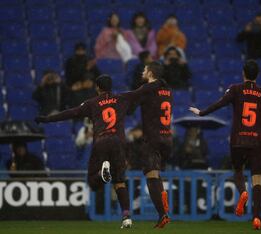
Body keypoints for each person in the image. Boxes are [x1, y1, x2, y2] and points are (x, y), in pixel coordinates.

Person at [189, 60, 261, 230]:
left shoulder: (236, 89)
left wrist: (201, 112)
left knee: (238, 170)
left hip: (238, 139)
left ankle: (243, 192)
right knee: (257, 179)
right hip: (257, 142)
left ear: (243, 73)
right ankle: (257, 218)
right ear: (257, 75)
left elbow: (220, 103)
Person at [35, 75, 133, 229]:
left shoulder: (92, 103)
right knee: (120, 182)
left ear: (97, 88)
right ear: (111, 87)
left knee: (93, 182)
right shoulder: (122, 98)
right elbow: (141, 94)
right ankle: (126, 216)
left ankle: (102, 173)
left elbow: (70, 113)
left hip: (101, 141)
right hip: (119, 143)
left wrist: (47, 119)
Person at [126, 62, 172, 228]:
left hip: (152, 138)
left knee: (151, 177)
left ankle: (162, 212)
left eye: (145, 69)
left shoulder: (146, 88)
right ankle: (162, 199)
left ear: (151, 73)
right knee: (156, 174)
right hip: (167, 138)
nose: (142, 71)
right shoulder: (167, 90)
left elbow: (130, 100)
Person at [65, 42, 98, 107]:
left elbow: (98, 76)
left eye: (82, 50)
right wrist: (85, 69)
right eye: (79, 50)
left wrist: (92, 83)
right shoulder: (70, 61)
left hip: (90, 92)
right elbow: (69, 77)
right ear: (75, 51)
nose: (80, 52)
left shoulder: (89, 60)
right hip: (76, 91)